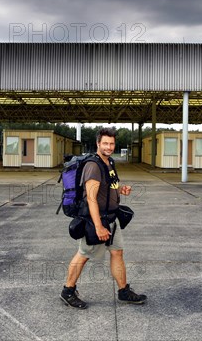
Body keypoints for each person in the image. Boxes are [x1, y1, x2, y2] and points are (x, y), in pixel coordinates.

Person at [60, 128, 147, 309]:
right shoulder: (93, 166)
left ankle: (123, 291)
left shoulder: (109, 162)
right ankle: (68, 291)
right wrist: (98, 226)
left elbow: (110, 184)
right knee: (84, 254)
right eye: (105, 143)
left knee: (117, 252)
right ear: (98, 144)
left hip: (111, 218)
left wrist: (121, 189)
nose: (109, 146)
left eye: (112, 143)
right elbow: (91, 198)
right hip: (97, 220)